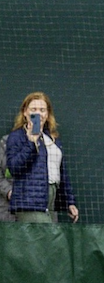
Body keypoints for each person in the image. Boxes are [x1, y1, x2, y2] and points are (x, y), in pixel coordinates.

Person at [5, 92, 79, 224]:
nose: (38, 113)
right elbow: (14, 167)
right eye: (33, 109)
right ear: (25, 113)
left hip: (50, 200)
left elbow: (62, 172)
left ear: (47, 114)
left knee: (48, 242)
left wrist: (69, 202)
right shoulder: (17, 137)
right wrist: (31, 142)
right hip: (30, 201)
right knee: (44, 239)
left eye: (42, 110)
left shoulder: (53, 139)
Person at [0, 134, 15, 221]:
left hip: (35, 204)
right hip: (6, 206)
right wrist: (8, 191)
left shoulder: (49, 141)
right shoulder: (5, 142)